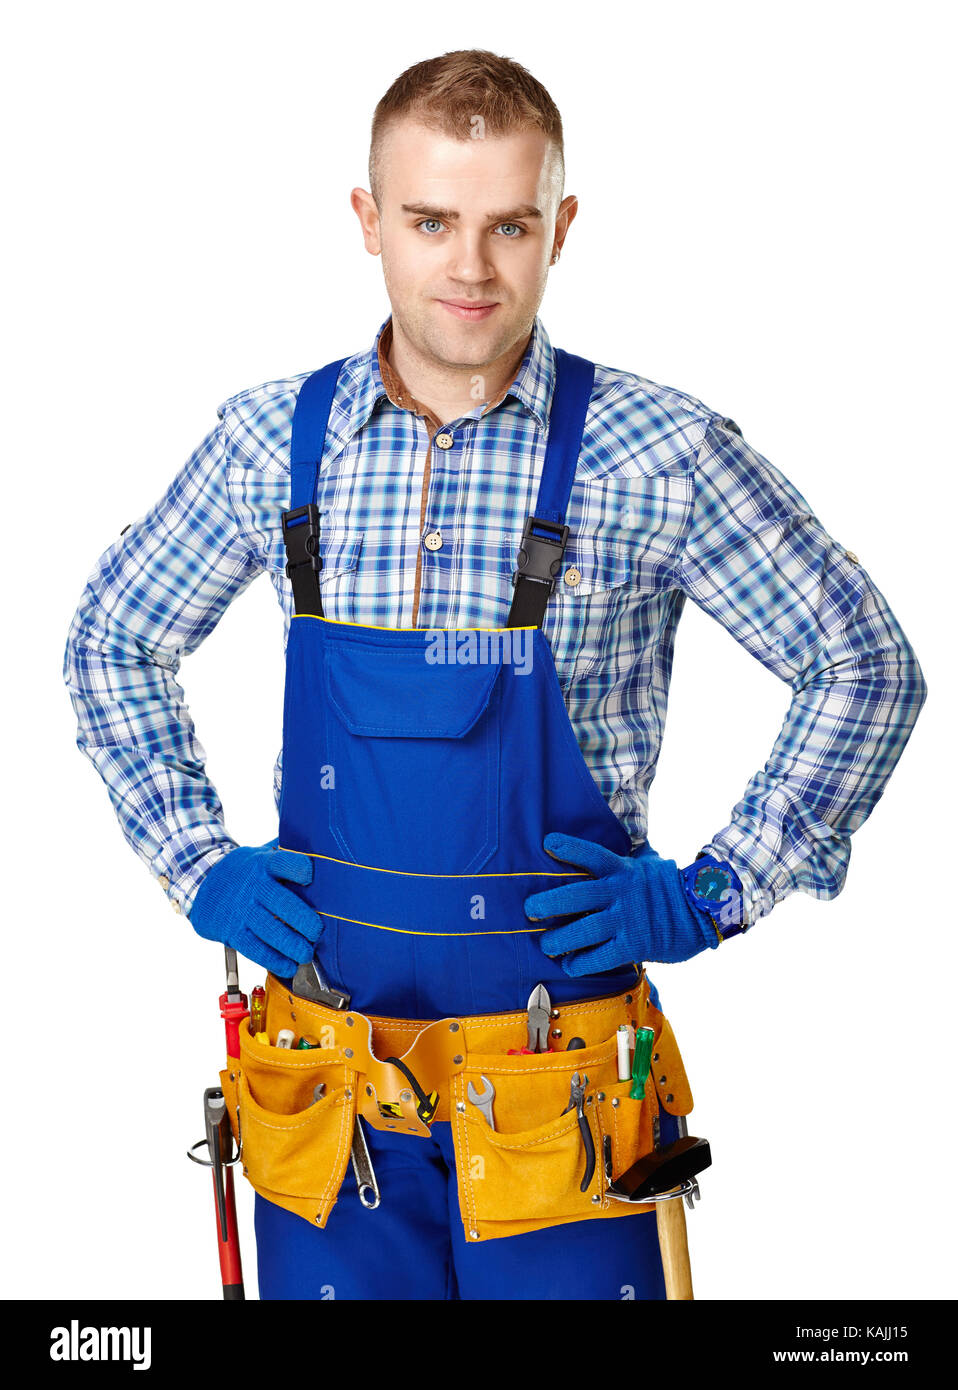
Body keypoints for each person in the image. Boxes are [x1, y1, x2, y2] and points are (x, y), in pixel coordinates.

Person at [63, 49, 926, 1302]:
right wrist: (195, 859)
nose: (468, 267)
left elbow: (866, 665)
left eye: (507, 225)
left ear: (558, 228)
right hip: (327, 1099)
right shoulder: (271, 443)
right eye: (430, 221)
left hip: (561, 1104)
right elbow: (110, 637)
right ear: (369, 222)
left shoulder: (661, 454)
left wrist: (726, 885)